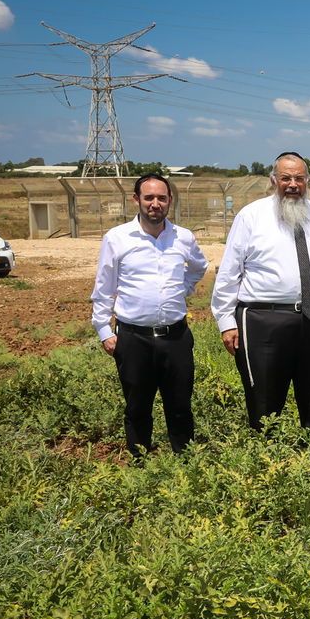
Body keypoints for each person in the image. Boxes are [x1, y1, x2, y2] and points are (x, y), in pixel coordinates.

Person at [211, 152, 310, 441]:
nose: (293, 184)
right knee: (265, 399)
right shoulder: (251, 216)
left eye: (299, 178)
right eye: (286, 178)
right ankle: (267, 459)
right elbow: (230, 271)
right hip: (264, 321)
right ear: (274, 180)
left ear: (308, 181)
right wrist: (225, 320)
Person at [91, 173, 208, 461]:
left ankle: (185, 466)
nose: (155, 204)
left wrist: (184, 288)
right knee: (137, 407)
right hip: (133, 339)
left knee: (180, 405)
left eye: (161, 198)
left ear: (170, 201)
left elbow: (199, 267)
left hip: (176, 337)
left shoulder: (183, 237)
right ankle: (140, 464)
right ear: (136, 200)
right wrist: (105, 331)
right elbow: (104, 286)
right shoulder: (117, 238)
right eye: (149, 198)